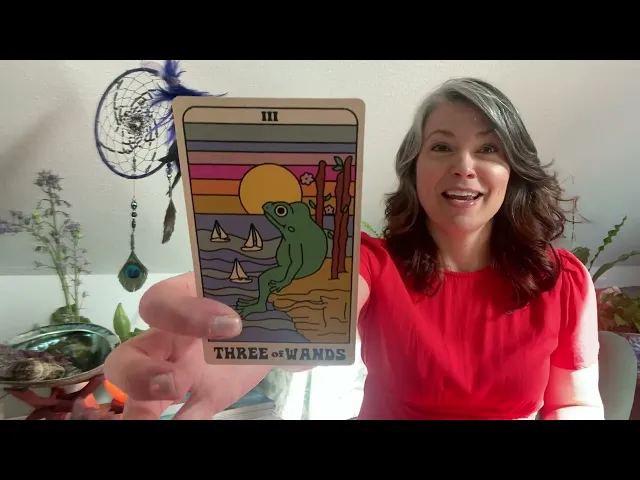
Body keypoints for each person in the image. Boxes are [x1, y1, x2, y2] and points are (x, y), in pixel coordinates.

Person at [104, 77, 604, 420]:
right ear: (413, 170)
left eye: (489, 148)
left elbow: (574, 403)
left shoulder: (562, 279)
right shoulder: (370, 262)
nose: (465, 166)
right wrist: (229, 330)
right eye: (441, 146)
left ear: (513, 169)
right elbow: (313, 290)